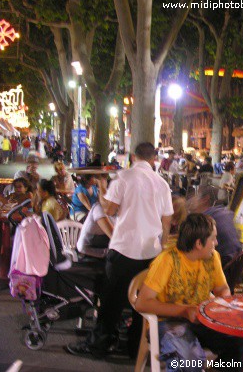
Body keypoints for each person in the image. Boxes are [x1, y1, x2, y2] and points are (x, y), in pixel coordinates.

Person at [66, 142, 173, 359]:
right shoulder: (162, 183)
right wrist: (161, 248)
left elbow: (110, 209)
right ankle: (135, 347)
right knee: (141, 304)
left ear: (133, 157)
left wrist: (103, 188)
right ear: (153, 158)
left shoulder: (123, 178)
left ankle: (99, 344)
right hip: (150, 252)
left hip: (124, 248)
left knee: (111, 301)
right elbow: (167, 222)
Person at [135, 213, 243, 371]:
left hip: (202, 319)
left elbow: (222, 288)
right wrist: (184, 311)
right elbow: (142, 303)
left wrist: (222, 304)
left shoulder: (212, 257)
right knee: (188, 360)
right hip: (168, 322)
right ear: (199, 243)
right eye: (213, 238)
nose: (216, 243)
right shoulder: (167, 261)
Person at [187, 187, 243, 267]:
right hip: (234, 265)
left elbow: (192, 248)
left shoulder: (204, 221)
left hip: (219, 266)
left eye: (195, 196)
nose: (191, 199)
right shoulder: (226, 213)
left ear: (205, 199)